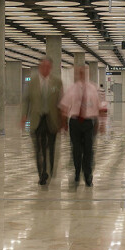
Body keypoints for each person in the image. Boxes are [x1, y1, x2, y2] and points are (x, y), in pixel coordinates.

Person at [21, 57, 63, 185]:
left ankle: (50, 169)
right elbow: (26, 99)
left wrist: (62, 121)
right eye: (43, 66)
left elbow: (61, 101)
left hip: (52, 120)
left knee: (50, 147)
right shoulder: (32, 81)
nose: (45, 69)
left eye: (48, 67)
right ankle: (42, 174)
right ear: (40, 67)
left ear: (50, 68)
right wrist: (24, 116)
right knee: (38, 149)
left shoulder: (57, 82)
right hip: (37, 119)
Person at [59, 65, 101, 187]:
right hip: (75, 122)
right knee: (76, 150)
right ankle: (77, 173)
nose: (81, 75)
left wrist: (99, 123)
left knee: (89, 150)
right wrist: (64, 123)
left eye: (83, 72)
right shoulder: (71, 89)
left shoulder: (93, 88)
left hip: (88, 122)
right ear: (77, 74)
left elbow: (98, 107)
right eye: (79, 72)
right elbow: (64, 107)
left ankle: (88, 175)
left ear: (87, 74)